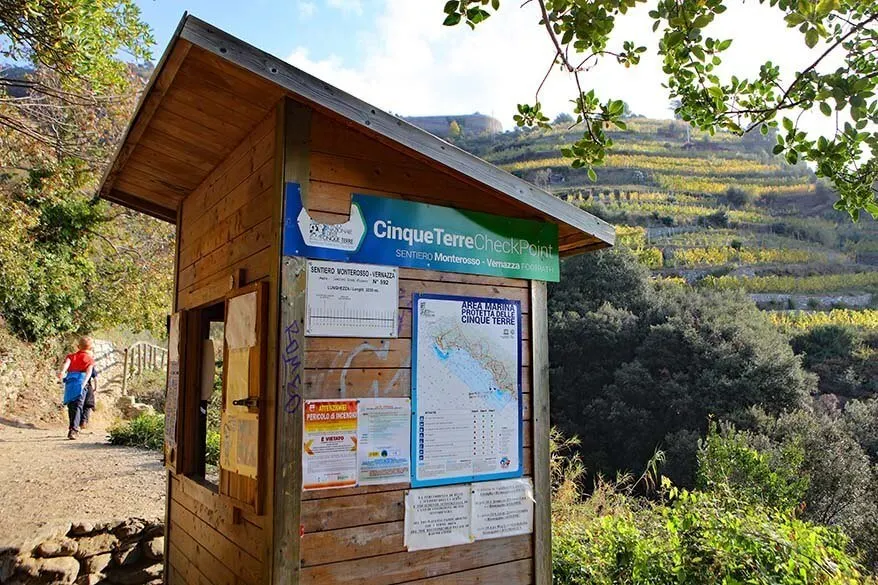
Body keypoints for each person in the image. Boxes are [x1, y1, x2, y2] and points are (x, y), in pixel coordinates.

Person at [59, 337, 95, 440]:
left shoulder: (71, 356)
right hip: (81, 382)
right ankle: (74, 430)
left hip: (70, 382)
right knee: (79, 405)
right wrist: (84, 384)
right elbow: (88, 373)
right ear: (91, 348)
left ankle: (73, 428)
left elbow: (66, 364)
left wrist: (62, 372)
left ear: (78, 347)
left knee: (72, 405)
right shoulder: (89, 359)